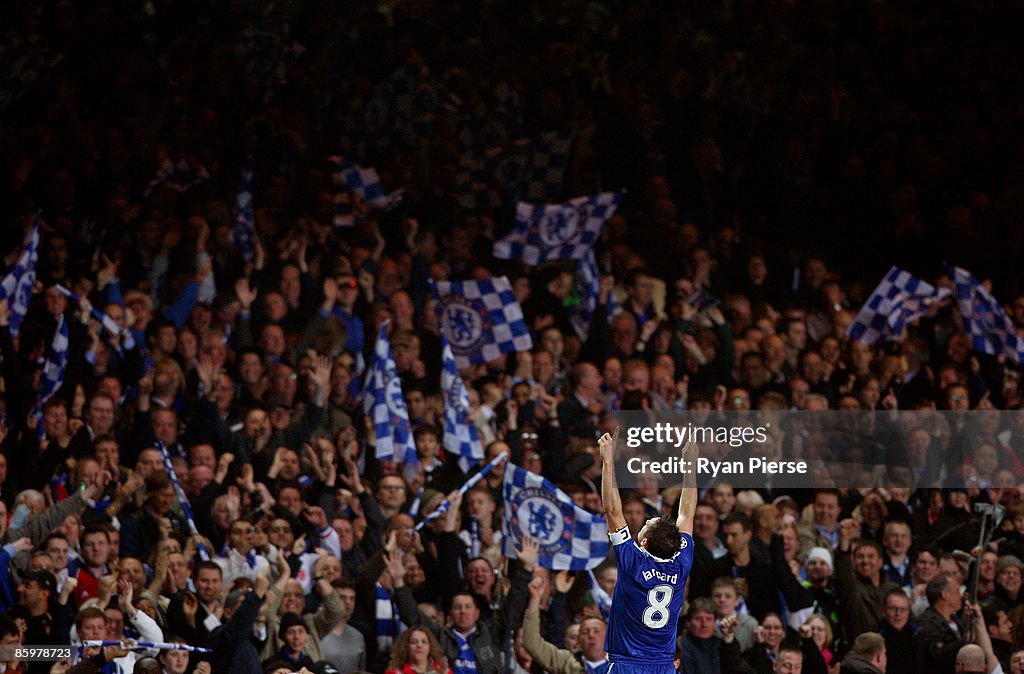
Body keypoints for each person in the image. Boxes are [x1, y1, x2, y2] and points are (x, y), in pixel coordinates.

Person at [599, 428, 697, 674]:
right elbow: (686, 513)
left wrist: (608, 461)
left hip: (626, 664)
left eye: (645, 526)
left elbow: (612, 510)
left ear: (643, 542)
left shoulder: (632, 560)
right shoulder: (681, 562)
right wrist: (691, 467)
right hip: (664, 666)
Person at [384, 626, 452, 674]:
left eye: (424, 642)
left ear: (430, 647)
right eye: (413, 642)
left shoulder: (443, 671)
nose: (419, 645)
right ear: (406, 647)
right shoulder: (394, 673)